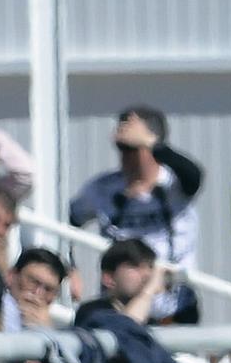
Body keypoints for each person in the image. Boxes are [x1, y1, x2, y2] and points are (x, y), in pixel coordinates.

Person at [68, 107, 201, 323]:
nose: (126, 157)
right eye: (121, 148)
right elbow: (68, 221)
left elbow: (194, 175)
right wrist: (70, 268)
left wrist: (152, 143)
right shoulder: (103, 188)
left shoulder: (174, 184)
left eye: (133, 148)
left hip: (173, 307)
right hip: (121, 307)